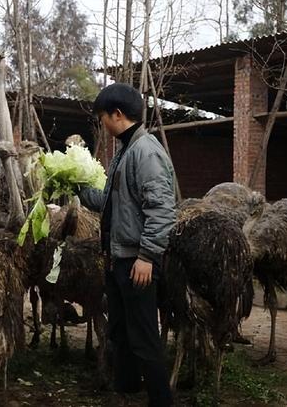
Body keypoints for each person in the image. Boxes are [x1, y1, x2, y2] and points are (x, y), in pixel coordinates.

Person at [79, 83, 176, 406]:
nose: (102, 124)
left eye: (102, 117)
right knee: (121, 332)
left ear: (117, 114)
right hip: (119, 260)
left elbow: (162, 209)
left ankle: (161, 400)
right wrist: (78, 188)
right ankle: (128, 390)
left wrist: (148, 255)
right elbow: (108, 202)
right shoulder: (125, 151)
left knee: (145, 336)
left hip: (138, 262)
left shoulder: (145, 152)